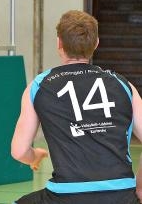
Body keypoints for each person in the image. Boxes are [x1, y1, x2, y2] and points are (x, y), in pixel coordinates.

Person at [12, 10, 142, 203]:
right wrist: (139, 188)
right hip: (121, 195)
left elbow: (19, 151)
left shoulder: (39, 85)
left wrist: (34, 157)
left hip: (66, 195)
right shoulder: (123, 84)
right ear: (96, 44)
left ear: (59, 43)